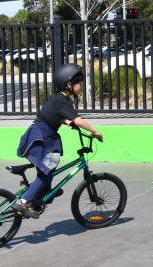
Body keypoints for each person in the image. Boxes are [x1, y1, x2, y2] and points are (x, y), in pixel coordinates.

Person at [13, 64, 103, 218]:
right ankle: (24, 201)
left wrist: (67, 122)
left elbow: (52, 115)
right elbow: (79, 121)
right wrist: (95, 132)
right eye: (78, 82)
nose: (80, 85)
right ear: (68, 84)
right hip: (42, 139)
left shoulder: (58, 98)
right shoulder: (62, 100)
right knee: (46, 173)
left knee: (49, 167)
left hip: (41, 135)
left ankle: (43, 192)